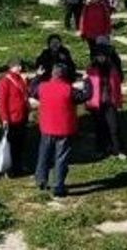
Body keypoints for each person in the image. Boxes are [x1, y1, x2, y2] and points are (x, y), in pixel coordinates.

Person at [35, 62, 89, 197]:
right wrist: (87, 80)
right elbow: (85, 95)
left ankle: (41, 180)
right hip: (64, 129)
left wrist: (37, 76)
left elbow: (32, 89)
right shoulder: (68, 90)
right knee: (61, 158)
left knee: (44, 155)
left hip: (46, 127)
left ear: (52, 74)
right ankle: (58, 187)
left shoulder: (43, 87)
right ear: (65, 75)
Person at [86, 44, 126, 159]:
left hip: (110, 102)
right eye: (99, 56)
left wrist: (118, 101)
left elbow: (117, 86)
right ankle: (101, 149)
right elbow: (88, 87)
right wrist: (88, 102)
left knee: (114, 127)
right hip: (96, 103)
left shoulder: (112, 69)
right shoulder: (91, 69)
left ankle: (118, 149)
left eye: (103, 56)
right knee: (100, 127)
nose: (101, 58)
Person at [0, 57, 30, 177]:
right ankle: (8, 169)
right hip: (11, 119)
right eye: (17, 66)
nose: (20, 68)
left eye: (20, 65)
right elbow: (1, 102)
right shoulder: (5, 81)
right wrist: (4, 119)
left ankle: (17, 166)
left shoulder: (20, 78)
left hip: (21, 117)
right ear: (11, 67)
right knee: (11, 145)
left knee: (19, 144)